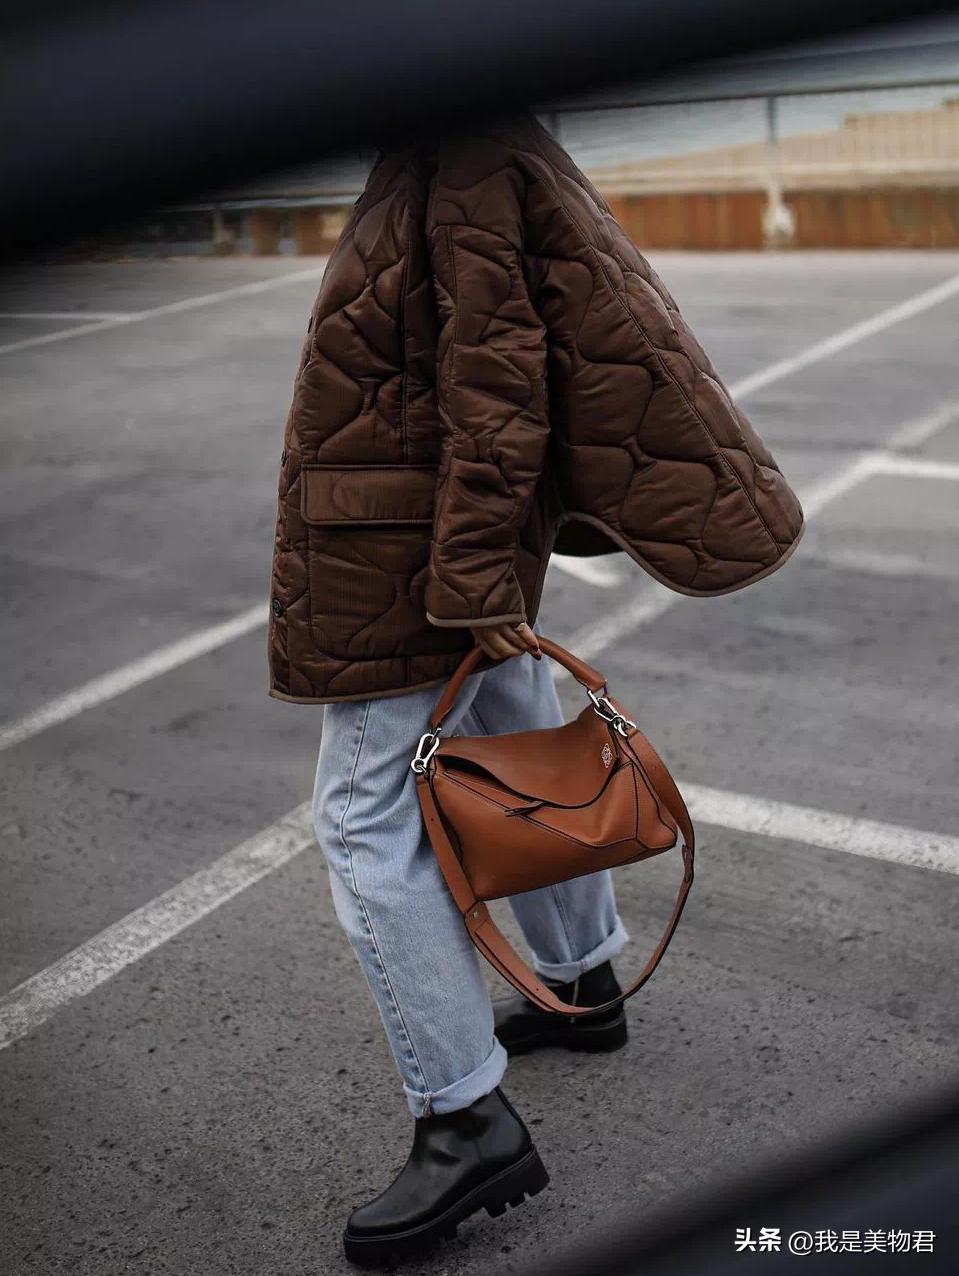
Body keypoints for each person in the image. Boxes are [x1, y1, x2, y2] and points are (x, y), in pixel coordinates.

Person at [267, 110, 803, 1265]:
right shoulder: (468, 131)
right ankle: (583, 983)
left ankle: (464, 1120)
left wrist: (465, 577)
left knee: (362, 817)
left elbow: (497, 379)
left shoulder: (456, 139)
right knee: (506, 728)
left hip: (406, 551)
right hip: (434, 535)